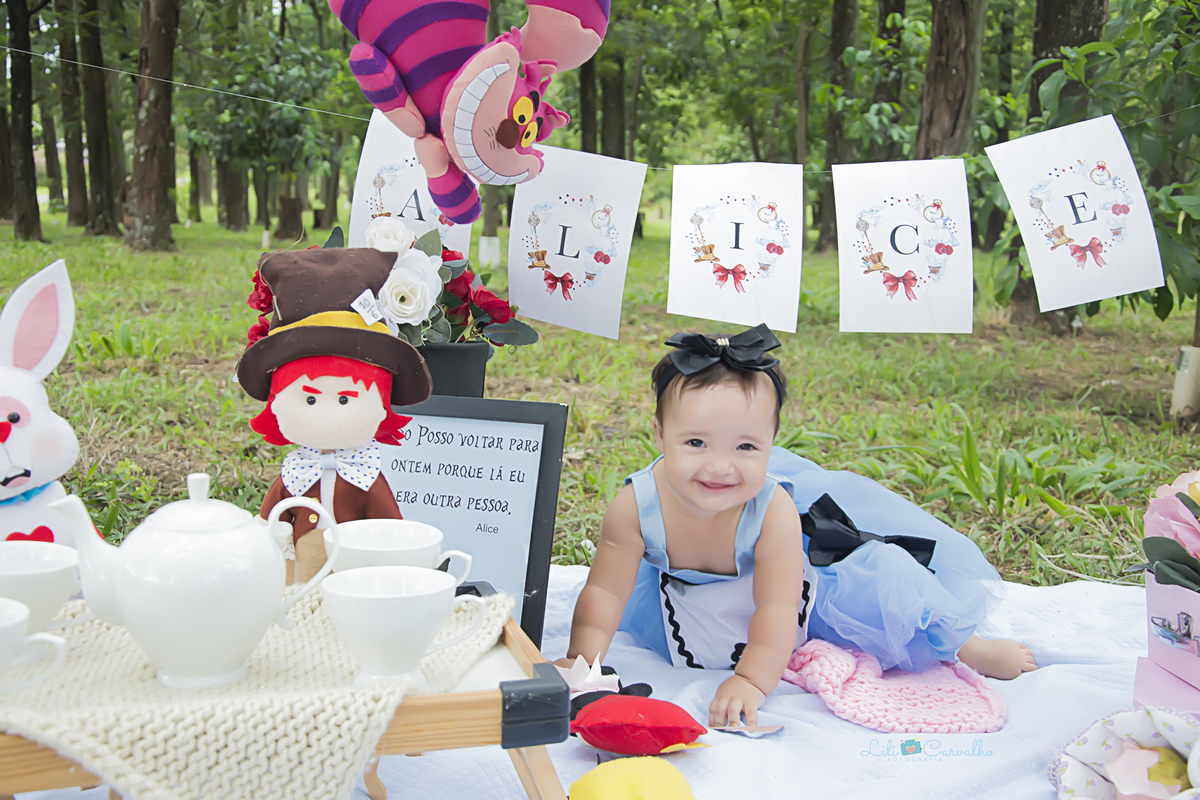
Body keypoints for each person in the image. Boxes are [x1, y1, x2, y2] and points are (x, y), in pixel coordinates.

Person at [559, 324, 1036, 728]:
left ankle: (965, 643)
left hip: (806, 592)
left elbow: (777, 604)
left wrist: (750, 679)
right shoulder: (635, 505)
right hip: (693, 601)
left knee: (885, 590)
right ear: (661, 435)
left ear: (771, 443)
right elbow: (605, 593)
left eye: (746, 448)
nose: (720, 467)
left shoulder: (771, 510)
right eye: (696, 442)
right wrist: (583, 663)